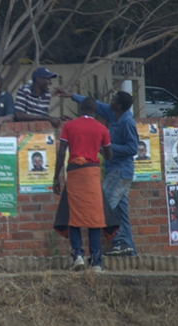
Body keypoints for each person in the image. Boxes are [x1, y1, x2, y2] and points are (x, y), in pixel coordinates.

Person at [56, 88, 138, 257]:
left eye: (114, 99)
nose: (111, 100)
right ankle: (129, 251)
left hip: (121, 170)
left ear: (120, 106)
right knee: (120, 212)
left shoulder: (127, 121)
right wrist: (72, 95)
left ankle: (121, 243)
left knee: (102, 204)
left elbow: (133, 148)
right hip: (114, 169)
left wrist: (106, 148)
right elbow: (95, 106)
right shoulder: (112, 113)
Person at [53, 97, 117, 272]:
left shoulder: (69, 126)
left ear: (81, 109)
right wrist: (97, 147)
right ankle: (96, 262)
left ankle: (78, 256)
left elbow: (61, 154)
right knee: (93, 218)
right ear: (95, 111)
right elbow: (109, 155)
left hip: (74, 173)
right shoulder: (101, 128)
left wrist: (55, 178)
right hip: (91, 174)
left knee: (74, 216)